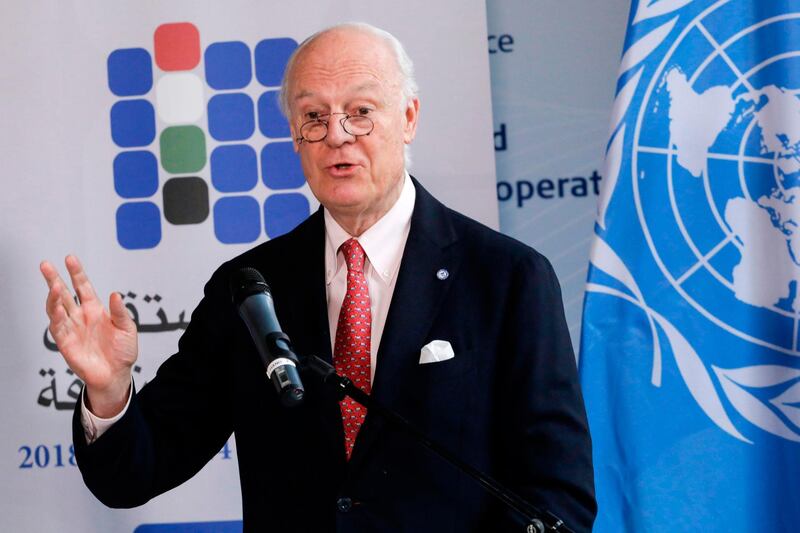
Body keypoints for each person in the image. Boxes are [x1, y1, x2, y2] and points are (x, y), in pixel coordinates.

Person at [41, 22, 596, 533]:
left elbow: (557, 496)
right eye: (314, 116)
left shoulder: (507, 278)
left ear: (408, 118)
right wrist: (109, 390)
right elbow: (133, 473)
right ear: (294, 135)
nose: (337, 135)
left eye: (360, 111)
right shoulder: (249, 287)